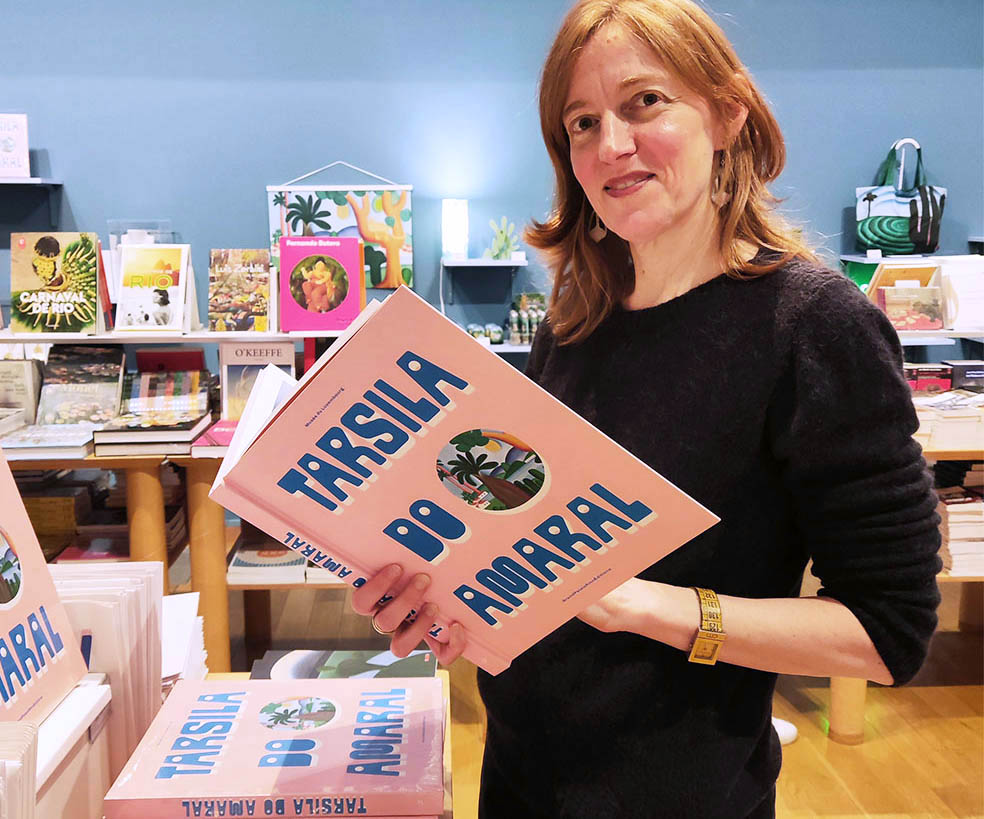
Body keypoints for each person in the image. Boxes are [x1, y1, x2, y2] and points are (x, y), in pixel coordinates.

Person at [350, 1, 941, 815]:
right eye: (583, 123)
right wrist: (454, 607)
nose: (611, 147)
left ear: (728, 113)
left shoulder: (812, 326)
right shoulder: (575, 321)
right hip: (519, 777)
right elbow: (522, 551)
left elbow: (888, 633)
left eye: (644, 103)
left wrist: (640, 603)